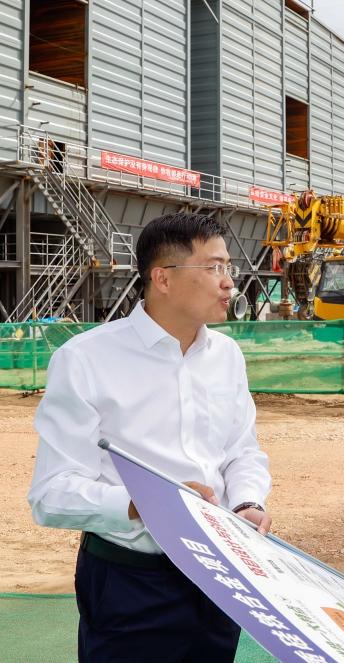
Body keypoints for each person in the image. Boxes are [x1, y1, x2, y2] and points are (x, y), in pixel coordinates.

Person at [28, 213, 272, 662]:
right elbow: (51, 494)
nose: (229, 282)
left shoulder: (226, 356)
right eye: (214, 267)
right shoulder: (86, 360)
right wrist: (147, 502)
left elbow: (242, 451)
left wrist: (246, 503)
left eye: (228, 267)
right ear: (162, 278)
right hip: (131, 582)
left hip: (219, 576)